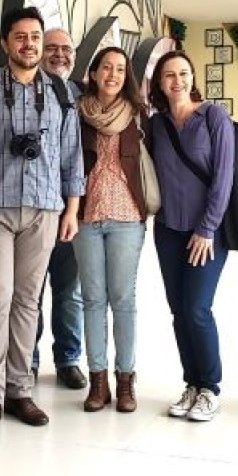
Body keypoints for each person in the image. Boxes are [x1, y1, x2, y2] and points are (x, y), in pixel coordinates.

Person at [0, 6, 85, 437]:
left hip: (45, 208)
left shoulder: (60, 92)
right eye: (21, 37)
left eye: (35, 36)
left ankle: (20, 390)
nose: (30, 44)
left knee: (28, 302)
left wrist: (71, 209)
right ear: (5, 43)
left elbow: (72, 155)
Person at [148, 50, 234, 422]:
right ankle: (191, 384)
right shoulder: (156, 124)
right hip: (168, 229)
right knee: (178, 311)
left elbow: (224, 177)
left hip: (208, 232)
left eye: (184, 73)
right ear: (160, 83)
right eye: (170, 75)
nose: (177, 81)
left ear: (193, 77)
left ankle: (210, 388)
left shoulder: (214, 116)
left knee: (197, 309)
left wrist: (207, 228)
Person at [73, 47, 151, 412]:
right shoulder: (78, 112)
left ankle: (125, 382)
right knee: (91, 300)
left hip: (126, 217)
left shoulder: (139, 115)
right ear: (94, 72)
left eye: (120, 69)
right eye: (107, 67)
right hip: (86, 217)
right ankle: (98, 381)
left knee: (123, 301)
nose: (113, 75)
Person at [32, 27, 87, 389]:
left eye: (66, 49)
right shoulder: (21, 90)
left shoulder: (83, 95)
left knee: (69, 290)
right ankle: (27, 360)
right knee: (29, 291)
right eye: (51, 48)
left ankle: (68, 358)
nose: (59, 55)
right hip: (32, 208)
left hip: (72, 209)